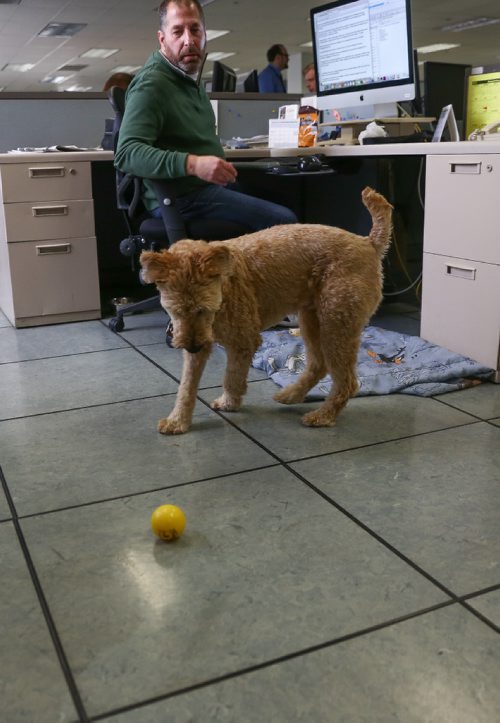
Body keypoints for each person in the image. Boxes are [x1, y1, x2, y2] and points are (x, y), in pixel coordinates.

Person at [114, 0, 297, 232]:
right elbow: (127, 154)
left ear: (204, 33)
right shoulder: (152, 85)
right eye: (178, 31)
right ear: (162, 39)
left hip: (206, 188)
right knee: (284, 220)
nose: (188, 40)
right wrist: (194, 164)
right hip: (180, 198)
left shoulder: (188, 77)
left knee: (287, 202)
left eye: (195, 29)